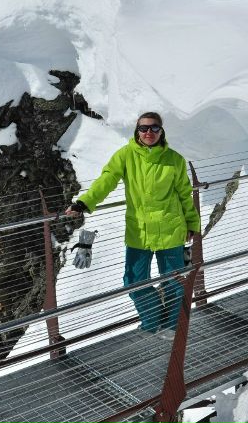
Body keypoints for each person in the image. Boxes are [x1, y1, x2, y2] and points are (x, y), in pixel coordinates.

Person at [65, 112, 201, 337]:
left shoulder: (174, 160)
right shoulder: (126, 156)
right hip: (139, 230)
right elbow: (106, 180)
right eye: (144, 128)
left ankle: (173, 327)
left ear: (161, 131)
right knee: (133, 281)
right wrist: (83, 203)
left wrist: (192, 223)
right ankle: (153, 320)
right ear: (137, 131)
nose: (149, 133)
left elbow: (185, 195)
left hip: (171, 228)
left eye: (154, 128)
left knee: (174, 281)